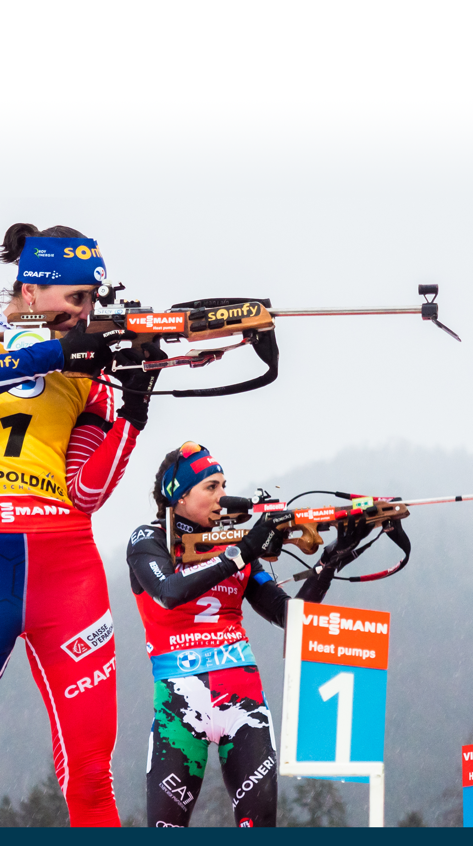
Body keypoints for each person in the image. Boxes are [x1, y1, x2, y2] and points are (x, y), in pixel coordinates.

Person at [0, 222, 163, 828]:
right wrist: (57, 352)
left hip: (65, 567)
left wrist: (134, 410)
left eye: (92, 301)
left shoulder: (90, 370)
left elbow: (86, 491)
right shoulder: (55, 349)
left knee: (92, 774)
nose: (84, 312)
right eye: (74, 298)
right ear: (32, 288)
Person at [127, 441, 367, 829]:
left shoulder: (234, 545)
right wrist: (243, 550)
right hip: (179, 707)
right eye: (211, 487)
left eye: (224, 485)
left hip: (244, 705)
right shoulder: (148, 540)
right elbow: (169, 593)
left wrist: (331, 560)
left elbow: (290, 615)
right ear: (180, 495)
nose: (223, 496)